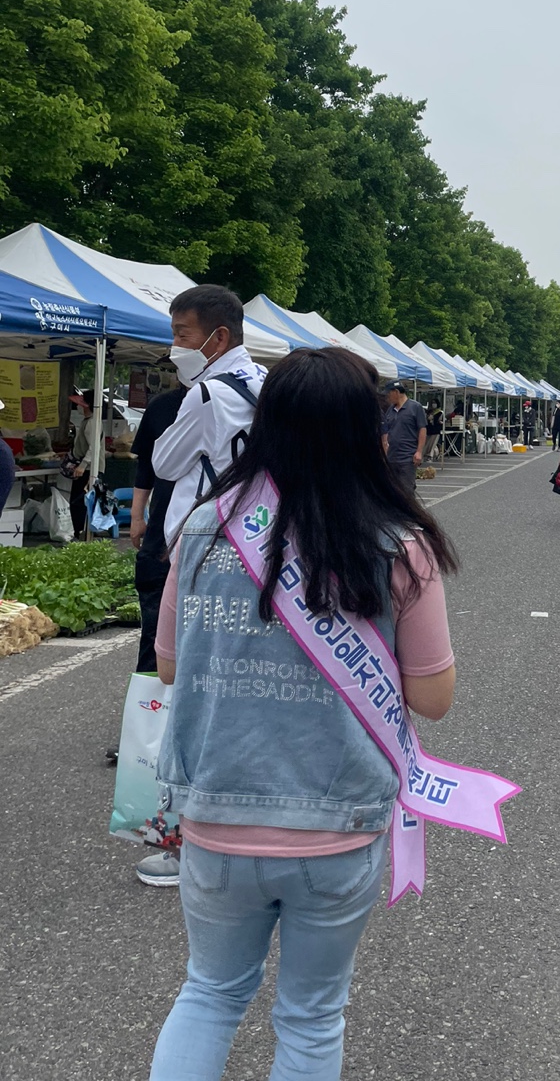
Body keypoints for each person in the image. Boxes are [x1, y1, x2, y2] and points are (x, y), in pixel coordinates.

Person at [147, 347, 458, 1081]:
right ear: (367, 430)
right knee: (313, 1015)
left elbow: (169, 665)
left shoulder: (202, 529)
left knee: (210, 993)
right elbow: (434, 698)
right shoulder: (396, 542)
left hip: (217, 814)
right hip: (337, 823)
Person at [153, 286, 266, 551]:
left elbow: (164, 465)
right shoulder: (265, 379)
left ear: (220, 338)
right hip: (253, 529)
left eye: (182, 335)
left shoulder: (207, 394)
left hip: (205, 538)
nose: (175, 346)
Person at [130, 385, 187, 677]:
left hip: (213, 535)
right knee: (154, 629)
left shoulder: (234, 399)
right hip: (161, 531)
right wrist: (137, 515)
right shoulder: (161, 406)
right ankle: (149, 707)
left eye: (184, 338)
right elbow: (145, 466)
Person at [380, 381, 427, 492]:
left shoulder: (415, 407)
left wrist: (419, 451)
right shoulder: (390, 410)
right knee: (394, 490)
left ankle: (409, 508)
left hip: (408, 457)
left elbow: (422, 429)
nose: (388, 397)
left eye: (389, 394)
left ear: (396, 392)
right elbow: (386, 430)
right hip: (391, 457)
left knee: (406, 490)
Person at [67, 389, 98, 537]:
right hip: (84, 467)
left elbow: (94, 447)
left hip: (88, 469)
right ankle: (79, 530)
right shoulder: (88, 421)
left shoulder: (92, 423)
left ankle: (78, 531)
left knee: (78, 502)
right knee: (77, 501)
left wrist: (83, 465)